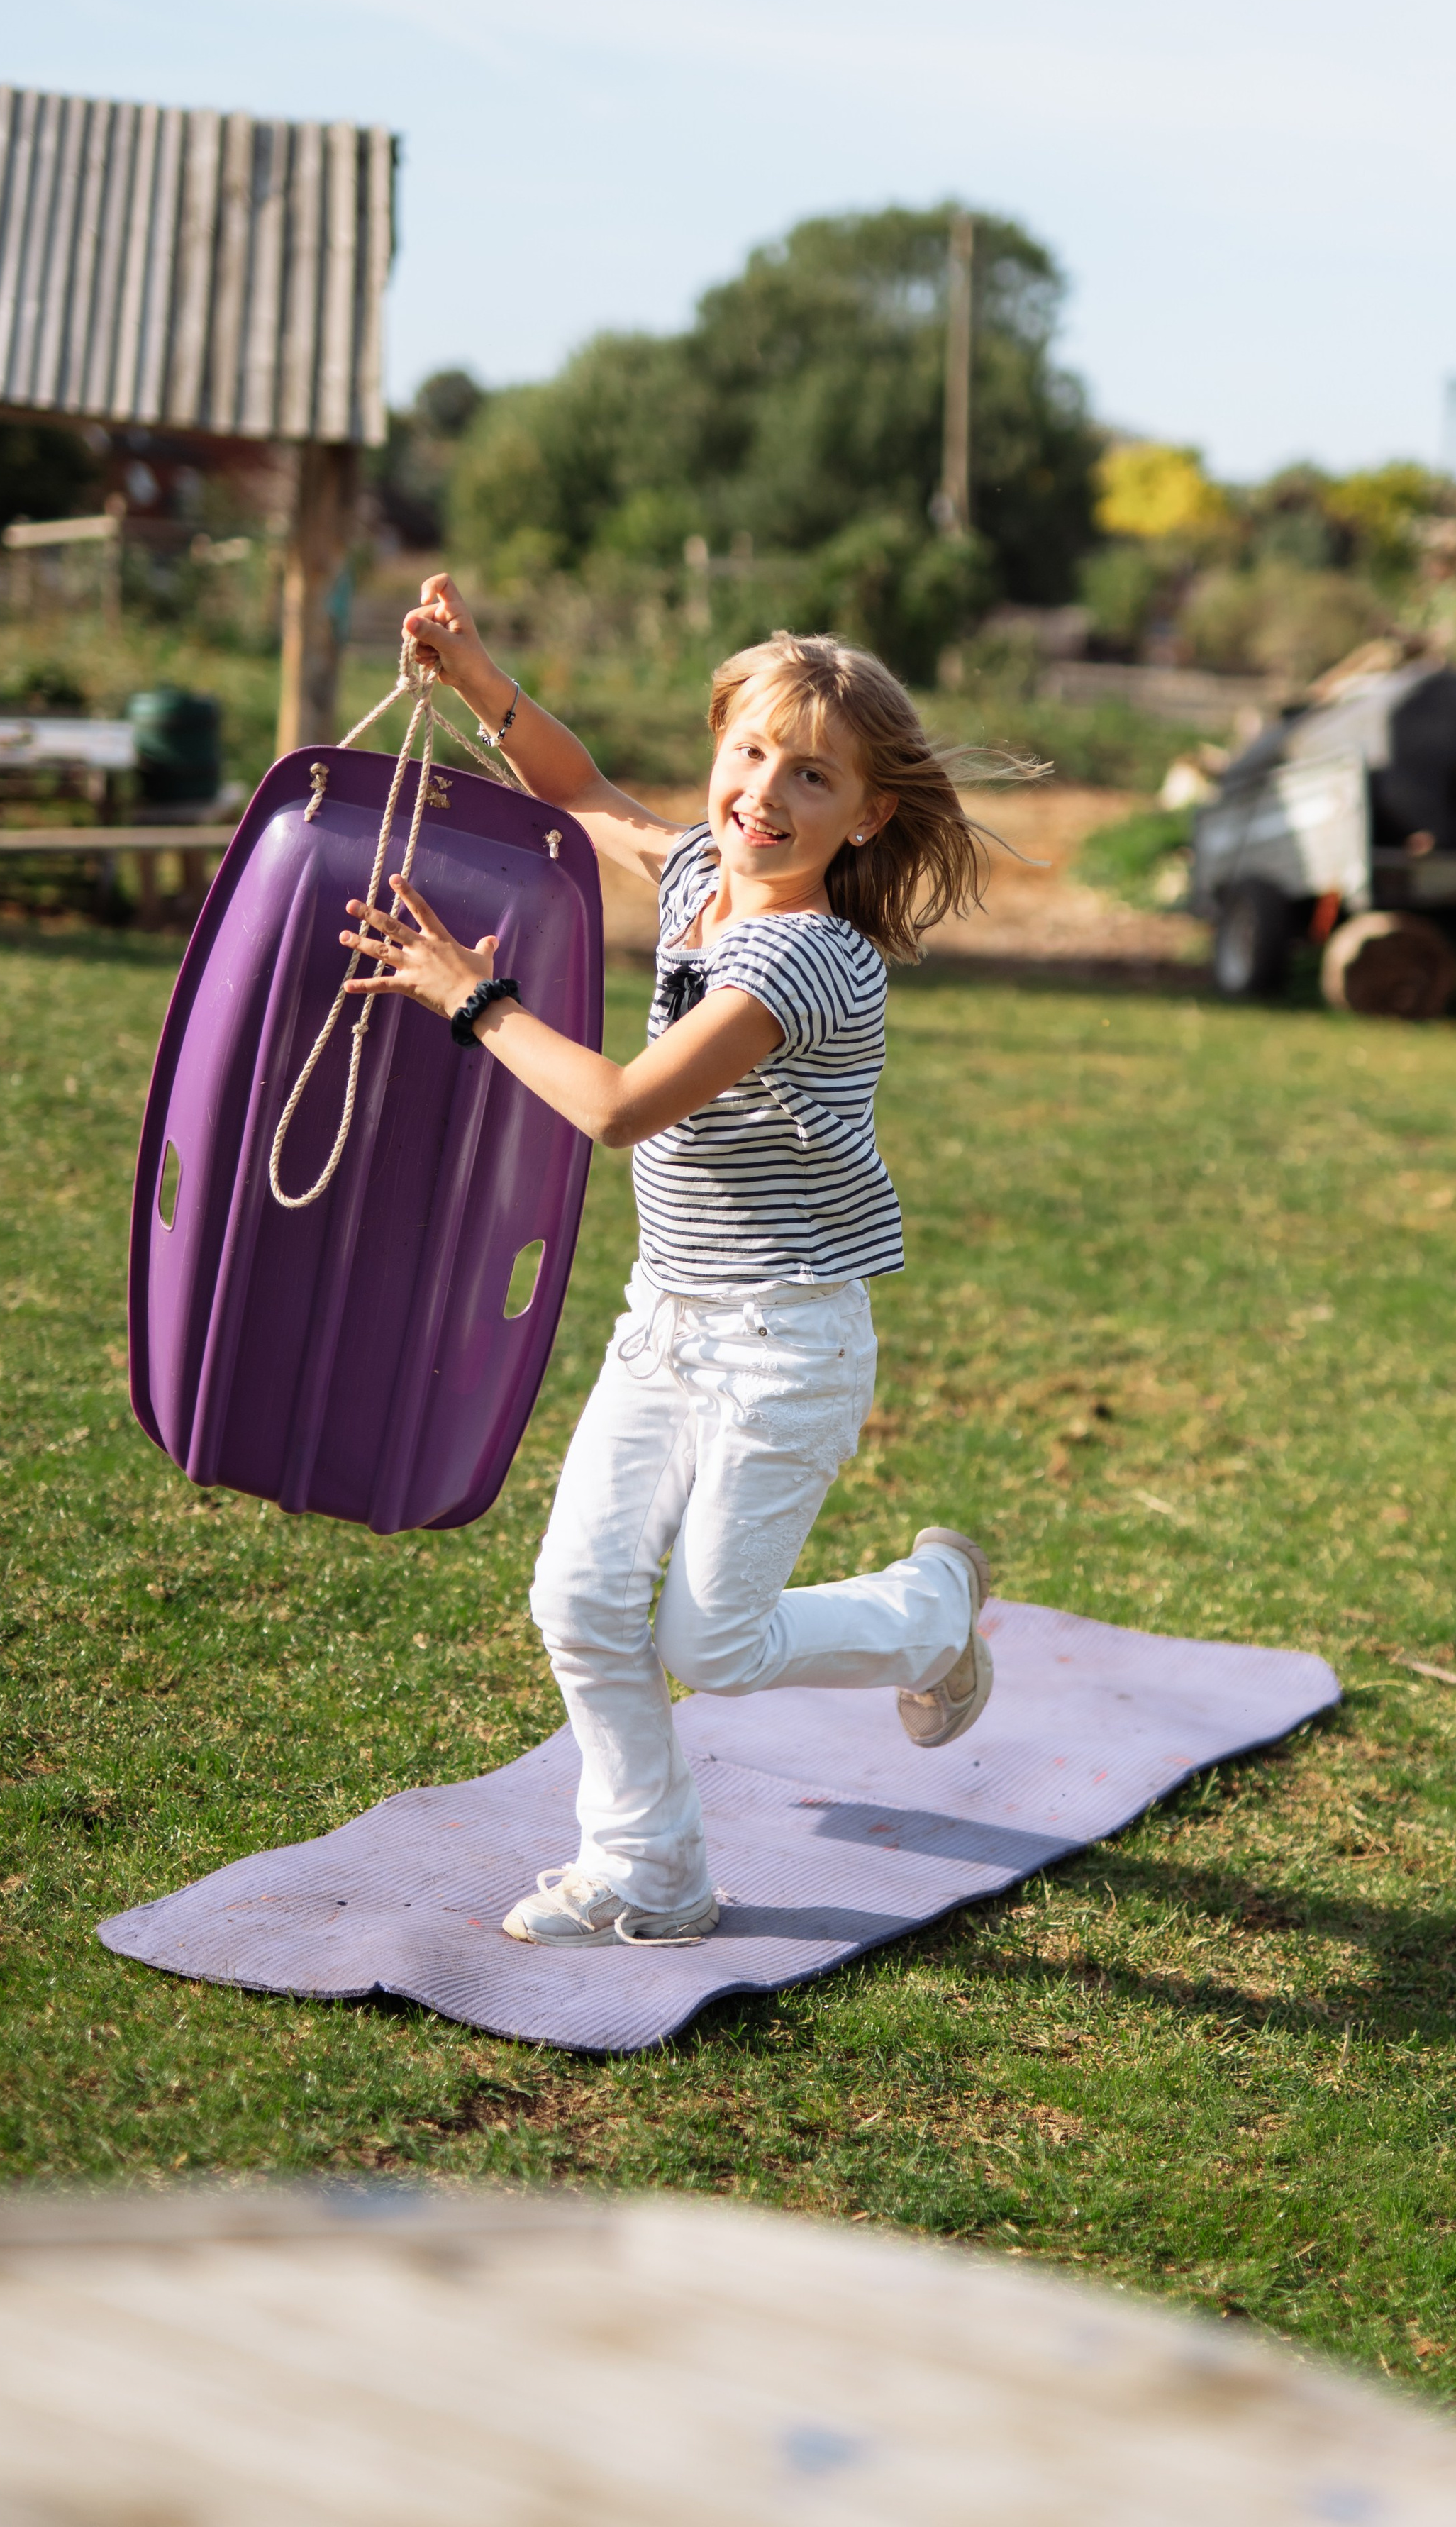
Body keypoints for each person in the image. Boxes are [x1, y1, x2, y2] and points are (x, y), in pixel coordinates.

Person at [340, 575, 1001, 1950]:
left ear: (867, 815)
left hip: (784, 1348)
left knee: (714, 1647)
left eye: (808, 774)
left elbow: (622, 1105)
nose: (763, 790)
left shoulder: (806, 959)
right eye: (747, 752)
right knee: (576, 1602)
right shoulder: (705, 873)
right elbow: (580, 789)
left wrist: (469, 996)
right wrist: (472, 676)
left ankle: (929, 1612)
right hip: (665, 1327)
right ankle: (649, 1874)